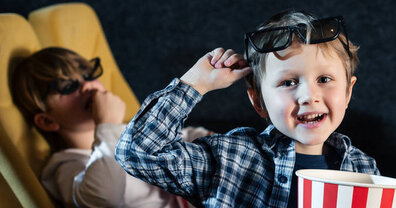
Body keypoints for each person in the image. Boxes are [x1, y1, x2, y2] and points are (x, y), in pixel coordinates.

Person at [115, 10, 379, 207]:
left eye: (324, 79)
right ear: (258, 101)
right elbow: (138, 152)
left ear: (347, 92)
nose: (308, 96)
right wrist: (195, 84)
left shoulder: (364, 170)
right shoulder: (230, 159)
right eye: (288, 82)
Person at [9, 47, 207, 207]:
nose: (87, 86)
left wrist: (205, 137)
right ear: (47, 121)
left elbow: (172, 136)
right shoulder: (63, 167)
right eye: (67, 86)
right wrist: (107, 124)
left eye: (87, 75)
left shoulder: (123, 132)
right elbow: (104, 197)